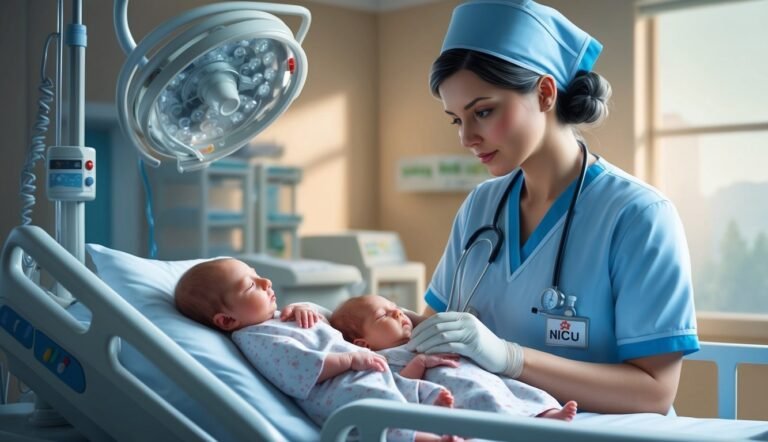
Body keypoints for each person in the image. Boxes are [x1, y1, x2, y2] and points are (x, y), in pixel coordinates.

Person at [406, 0, 700, 415]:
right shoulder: (481, 206)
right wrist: (349, 322)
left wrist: (511, 358)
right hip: (494, 428)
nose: (467, 137)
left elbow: (655, 391)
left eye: (483, 112)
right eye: (457, 119)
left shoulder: (639, 215)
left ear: (545, 93)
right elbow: (435, 333)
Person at [174, 258, 460, 442]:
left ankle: (434, 418)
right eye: (251, 286)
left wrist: (305, 309)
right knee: (382, 416)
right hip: (340, 390)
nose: (266, 282)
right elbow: (297, 369)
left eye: (257, 274)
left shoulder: (277, 319)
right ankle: (431, 439)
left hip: (361, 374)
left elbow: (323, 326)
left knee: (403, 391)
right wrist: (349, 359)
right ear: (227, 320)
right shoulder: (256, 338)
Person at [331, 294, 577, 421]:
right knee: (480, 398)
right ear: (363, 343)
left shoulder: (420, 336)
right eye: (383, 315)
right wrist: (418, 363)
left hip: (479, 372)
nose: (398, 313)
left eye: (395, 307)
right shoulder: (379, 359)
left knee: (517, 389)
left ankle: (546, 414)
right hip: (455, 384)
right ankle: (520, 426)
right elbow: (398, 388)